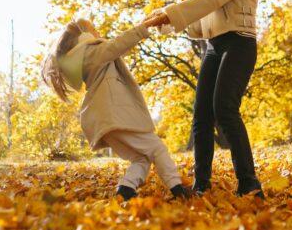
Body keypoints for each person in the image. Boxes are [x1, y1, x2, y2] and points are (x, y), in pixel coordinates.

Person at [146, 0, 279, 198]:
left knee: (225, 109)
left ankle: (249, 182)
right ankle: (201, 184)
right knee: (201, 116)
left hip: (239, 43)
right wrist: (167, 21)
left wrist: (171, 12)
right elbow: (206, 11)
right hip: (215, 46)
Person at [41, 17, 193, 200]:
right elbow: (118, 45)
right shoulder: (92, 51)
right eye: (93, 28)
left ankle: (126, 188)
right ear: (84, 35)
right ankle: (178, 189)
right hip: (115, 115)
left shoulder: (85, 57)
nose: (98, 31)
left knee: (141, 158)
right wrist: (144, 27)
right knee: (157, 148)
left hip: (107, 120)